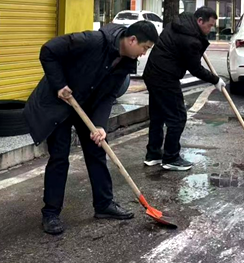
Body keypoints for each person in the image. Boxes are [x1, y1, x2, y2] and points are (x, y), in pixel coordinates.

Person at [23, 21, 158, 235]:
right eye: (145, 48)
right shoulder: (93, 41)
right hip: (60, 102)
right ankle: (51, 213)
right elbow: (48, 50)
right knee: (59, 156)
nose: (144, 53)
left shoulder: (126, 63)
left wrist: (100, 126)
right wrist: (59, 85)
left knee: (97, 149)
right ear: (132, 40)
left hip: (86, 106)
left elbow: (109, 95)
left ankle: (104, 205)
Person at [143, 7, 226, 171]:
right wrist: (215, 80)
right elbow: (195, 69)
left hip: (152, 73)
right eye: (209, 25)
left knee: (158, 116)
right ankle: (171, 157)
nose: (210, 29)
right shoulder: (190, 41)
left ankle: (153, 155)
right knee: (178, 117)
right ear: (200, 21)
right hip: (165, 78)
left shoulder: (181, 22)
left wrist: (200, 39)